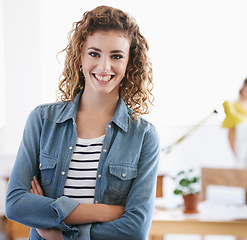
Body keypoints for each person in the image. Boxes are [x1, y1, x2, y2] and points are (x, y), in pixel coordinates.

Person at [6, 5, 159, 240]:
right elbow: (16, 204)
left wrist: (58, 233)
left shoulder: (143, 135)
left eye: (116, 56)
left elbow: (135, 229)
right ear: (80, 56)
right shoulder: (42, 120)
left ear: (130, 62)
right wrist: (103, 212)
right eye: (94, 53)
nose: (104, 66)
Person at [222, 76, 247, 155]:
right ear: (245, 86)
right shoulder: (234, 107)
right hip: (239, 147)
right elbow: (230, 133)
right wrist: (236, 153)